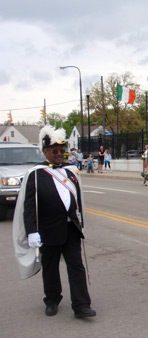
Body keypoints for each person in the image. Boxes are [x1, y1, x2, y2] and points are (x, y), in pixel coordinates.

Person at [14, 125, 96, 319]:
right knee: (50, 268)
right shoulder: (35, 174)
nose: (60, 154)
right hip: (48, 230)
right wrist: (32, 231)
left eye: (61, 151)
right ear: (45, 152)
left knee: (76, 266)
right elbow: (29, 206)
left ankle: (81, 305)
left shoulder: (71, 172)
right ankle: (52, 300)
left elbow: (78, 199)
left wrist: (80, 219)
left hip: (71, 228)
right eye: (55, 151)